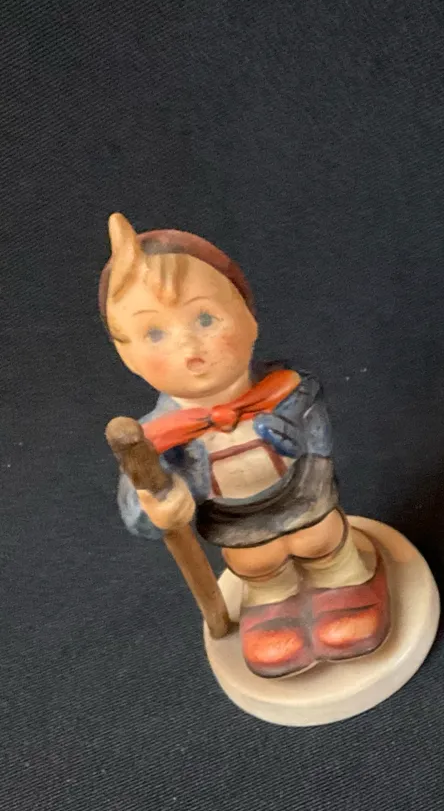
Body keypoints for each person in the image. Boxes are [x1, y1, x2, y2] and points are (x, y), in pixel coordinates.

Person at [103, 213, 387, 677]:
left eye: (205, 318)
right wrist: (158, 506)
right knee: (257, 564)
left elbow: (318, 437)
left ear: (249, 318)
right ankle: (273, 604)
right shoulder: (153, 437)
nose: (189, 348)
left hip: (302, 495)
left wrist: (307, 454)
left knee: (320, 540)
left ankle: (344, 582)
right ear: (127, 355)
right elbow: (140, 504)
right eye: (155, 333)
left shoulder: (289, 389)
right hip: (234, 518)